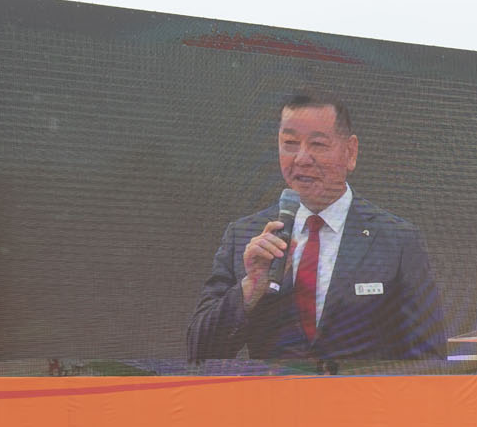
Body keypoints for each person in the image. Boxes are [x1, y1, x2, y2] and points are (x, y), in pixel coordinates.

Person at [186, 93, 447, 362]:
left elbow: (430, 360)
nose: (301, 158)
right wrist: (250, 288)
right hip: (274, 390)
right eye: (289, 144)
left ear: (350, 152)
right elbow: (199, 353)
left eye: (318, 144)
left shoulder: (398, 241)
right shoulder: (245, 236)